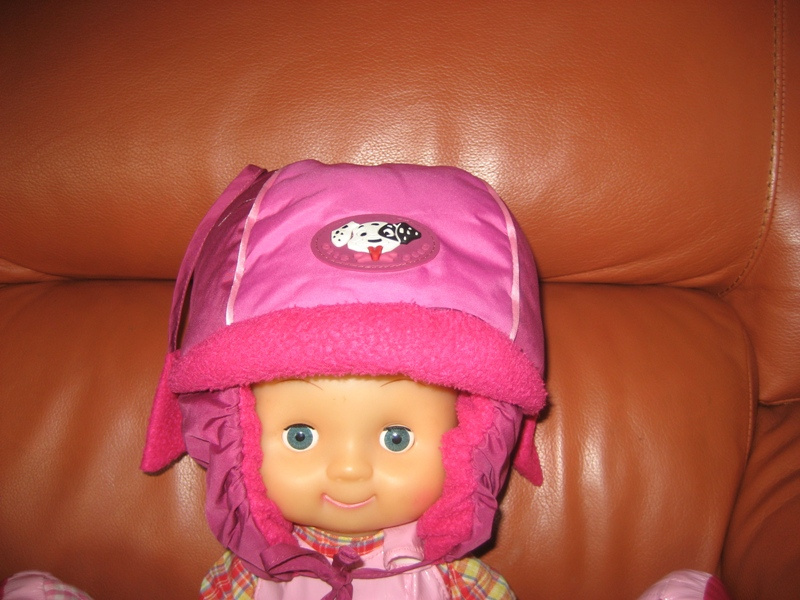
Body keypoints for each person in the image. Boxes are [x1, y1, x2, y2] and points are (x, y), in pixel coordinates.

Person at [141, 160, 548, 598]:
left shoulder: (458, 584)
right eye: (300, 436)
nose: (349, 470)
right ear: (233, 434)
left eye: (396, 438)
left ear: (476, 438)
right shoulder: (243, 582)